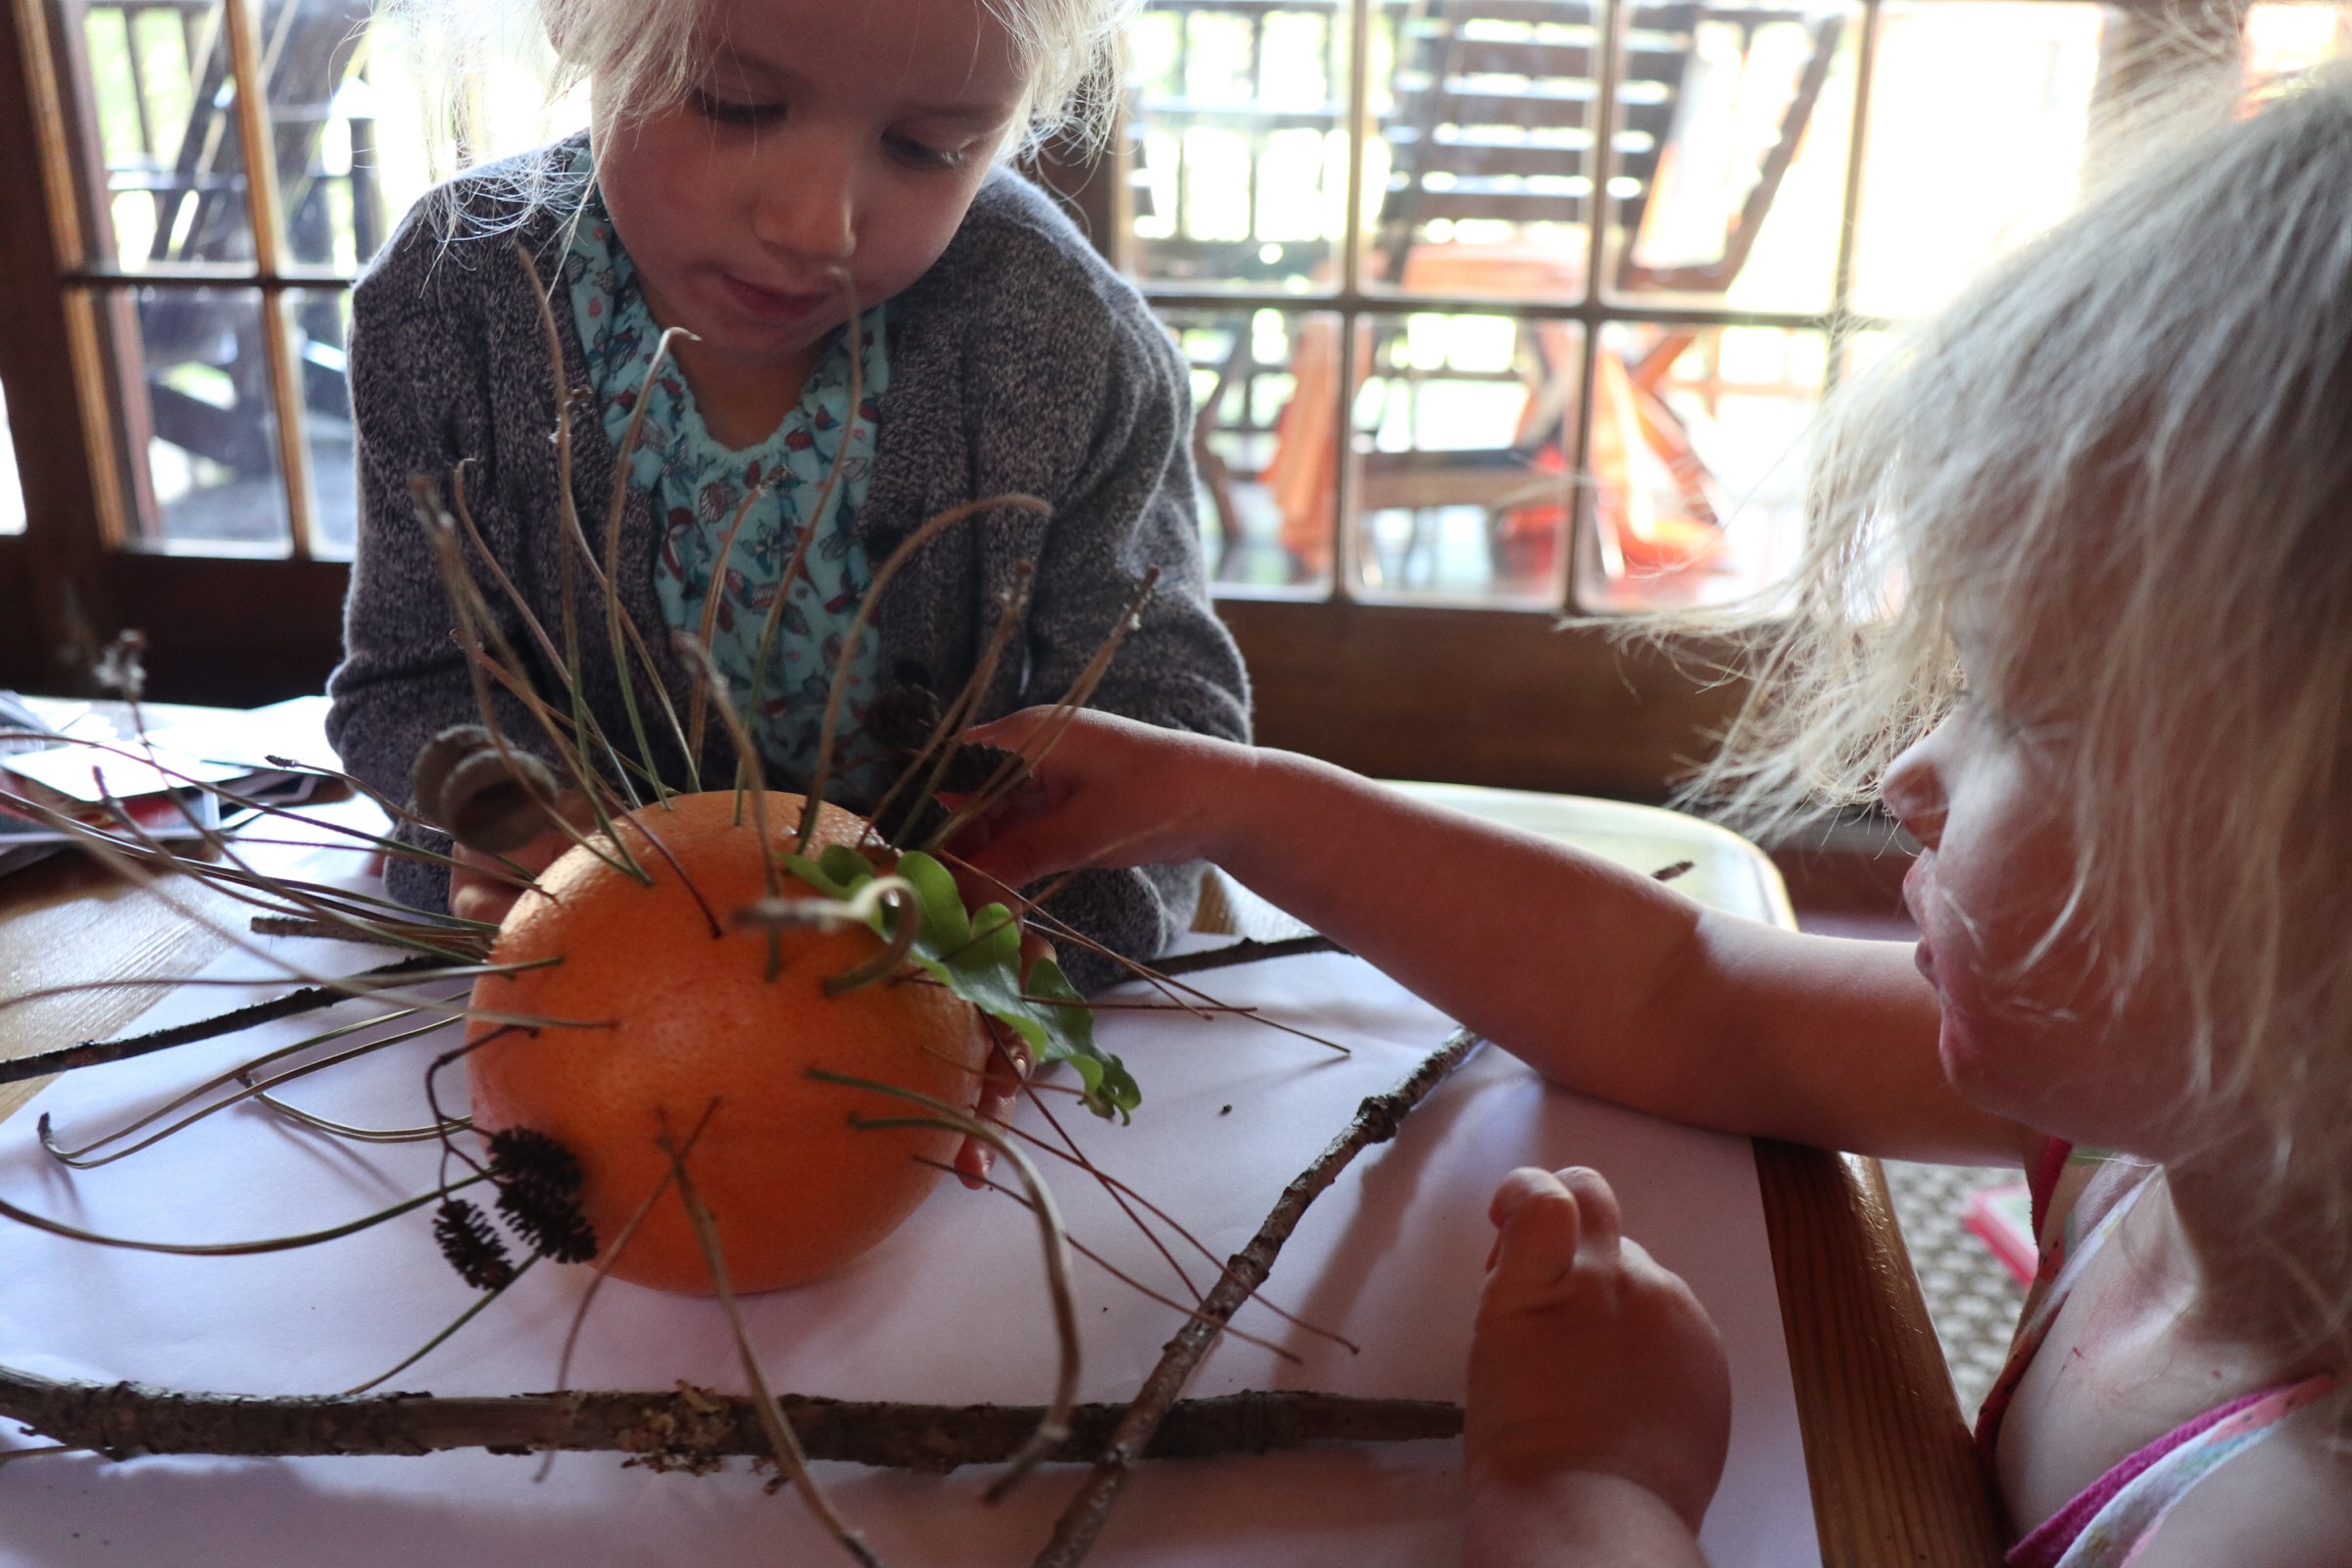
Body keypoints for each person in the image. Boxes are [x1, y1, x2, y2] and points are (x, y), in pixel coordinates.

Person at [949, 74, 2352, 1565]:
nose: (1906, 779)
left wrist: (1589, 1491)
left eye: (2020, 711)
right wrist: (1237, 803)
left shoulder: (2284, 1521)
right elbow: (1684, 996)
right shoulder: (2171, 1107)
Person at [323, 0, 1249, 998]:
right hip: (596, 981)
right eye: (735, 105)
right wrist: (502, 814)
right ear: (578, 18)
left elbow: (1168, 723)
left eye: (928, 148)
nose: (817, 226)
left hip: (929, 995)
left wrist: (1017, 924)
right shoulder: (451, 298)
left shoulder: (1065, 337)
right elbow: (412, 687)